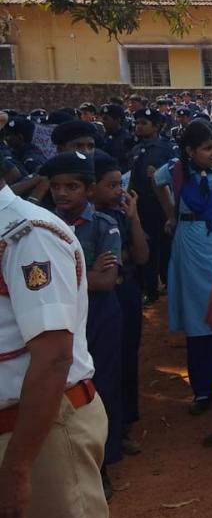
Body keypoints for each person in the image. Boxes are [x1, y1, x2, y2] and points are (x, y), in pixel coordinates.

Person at [0, 164, 179, 518]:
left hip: (41, 426)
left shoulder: (28, 235)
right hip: (18, 426)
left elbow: (54, 357)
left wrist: (18, 465)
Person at [41, 151, 124, 496]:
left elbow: (107, 281)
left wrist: (63, 276)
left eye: (72, 186)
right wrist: (84, 274)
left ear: (88, 189)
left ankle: (101, 467)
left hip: (101, 317)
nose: (63, 193)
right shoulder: (43, 227)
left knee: (100, 389)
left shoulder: (105, 225)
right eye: (57, 186)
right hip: (61, 319)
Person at [154, 120, 212, 418]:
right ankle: (204, 389)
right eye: (207, 148)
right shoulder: (175, 170)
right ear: (190, 150)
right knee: (198, 320)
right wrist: (170, 215)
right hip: (192, 243)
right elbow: (156, 182)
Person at [93, 154, 150, 455]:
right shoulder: (83, 222)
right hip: (99, 296)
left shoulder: (121, 216)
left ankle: (123, 425)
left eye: (120, 184)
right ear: (92, 187)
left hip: (125, 290)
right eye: (111, 185)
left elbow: (140, 256)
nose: (118, 191)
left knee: (126, 356)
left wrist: (135, 217)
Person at [130, 108, 177, 304]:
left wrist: (158, 174)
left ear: (157, 126)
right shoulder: (135, 149)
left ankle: (170, 285)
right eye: (137, 123)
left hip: (162, 206)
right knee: (146, 246)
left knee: (166, 247)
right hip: (142, 205)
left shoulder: (167, 149)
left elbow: (177, 177)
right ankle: (150, 288)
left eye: (144, 123)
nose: (139, 127)